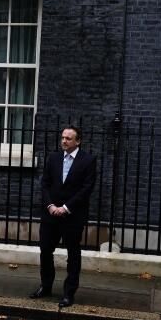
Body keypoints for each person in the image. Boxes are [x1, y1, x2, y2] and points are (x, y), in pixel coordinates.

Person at [30, 126, 97, 308]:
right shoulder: (53, 158)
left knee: (73, 254)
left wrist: (66, 208)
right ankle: (46, 286)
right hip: (50, 214)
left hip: (72, 216)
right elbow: (45, 184)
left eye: (68, 138)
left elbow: (86, 189)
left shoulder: (88, 160)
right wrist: (50, 205)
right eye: (62, 138)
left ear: (78, 141)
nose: (64, 141)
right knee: (45, 251)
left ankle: (69, 293)